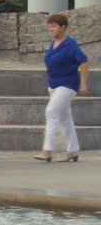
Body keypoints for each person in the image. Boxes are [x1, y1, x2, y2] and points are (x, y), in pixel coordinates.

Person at [34, 13, 90, 163]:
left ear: (63, 27)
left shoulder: (70, 44)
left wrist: (84, 83)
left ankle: (47, 150)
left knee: (51, 111)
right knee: (65, 118)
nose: (51, 29)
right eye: (49, 26)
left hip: (67, 84)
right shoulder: (53, 43)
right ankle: (73, 150)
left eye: (54, 26)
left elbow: (84, 61)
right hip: (53, 84)